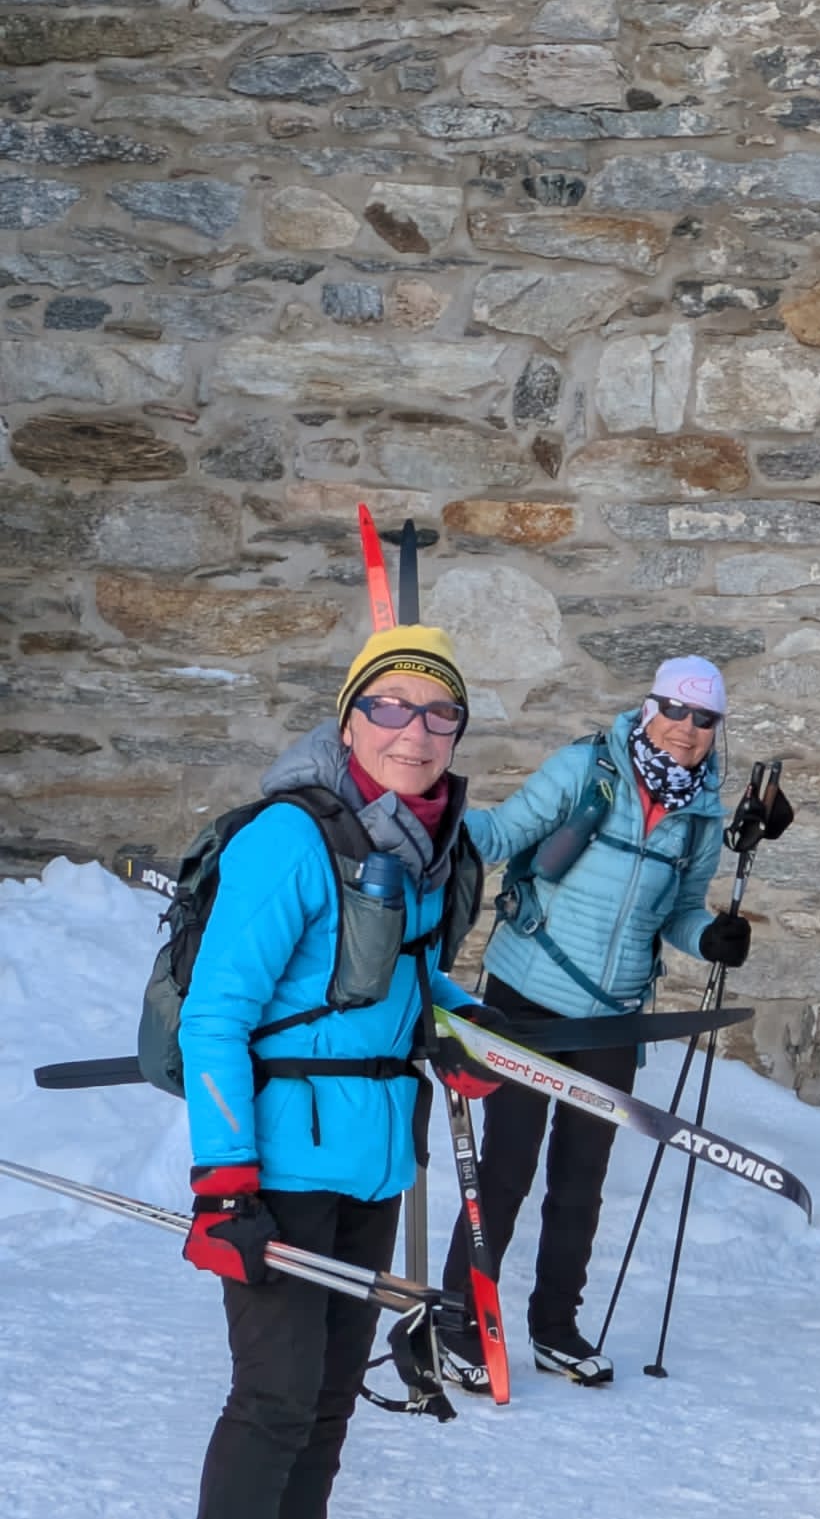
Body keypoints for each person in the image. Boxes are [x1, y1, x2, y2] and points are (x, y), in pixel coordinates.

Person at [179, 625, 488, 1518]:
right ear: (349, 722)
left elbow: (409, 973)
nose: (414, 732)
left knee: (327, 1403)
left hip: (375, 1166)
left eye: (439, 713)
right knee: (274, 1401)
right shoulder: (291, 838)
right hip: (280, 1173)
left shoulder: (423, 844)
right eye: (390, 707)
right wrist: (225, 1185)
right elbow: (215, 1015)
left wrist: (469, 1028)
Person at [437, 655, 790, 1389]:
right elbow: (497, 835)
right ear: (650, 708)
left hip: (614, 1019)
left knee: (581, 1180)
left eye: (706, 718)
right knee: (506, 1167)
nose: (688, 728)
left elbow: (681, 911)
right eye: (677, 710)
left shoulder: (700, 816)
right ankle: (458, 1323)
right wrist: (419, 806)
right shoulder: (584, 770)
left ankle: (555, 1327)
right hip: (527, 997)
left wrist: (711, 936)